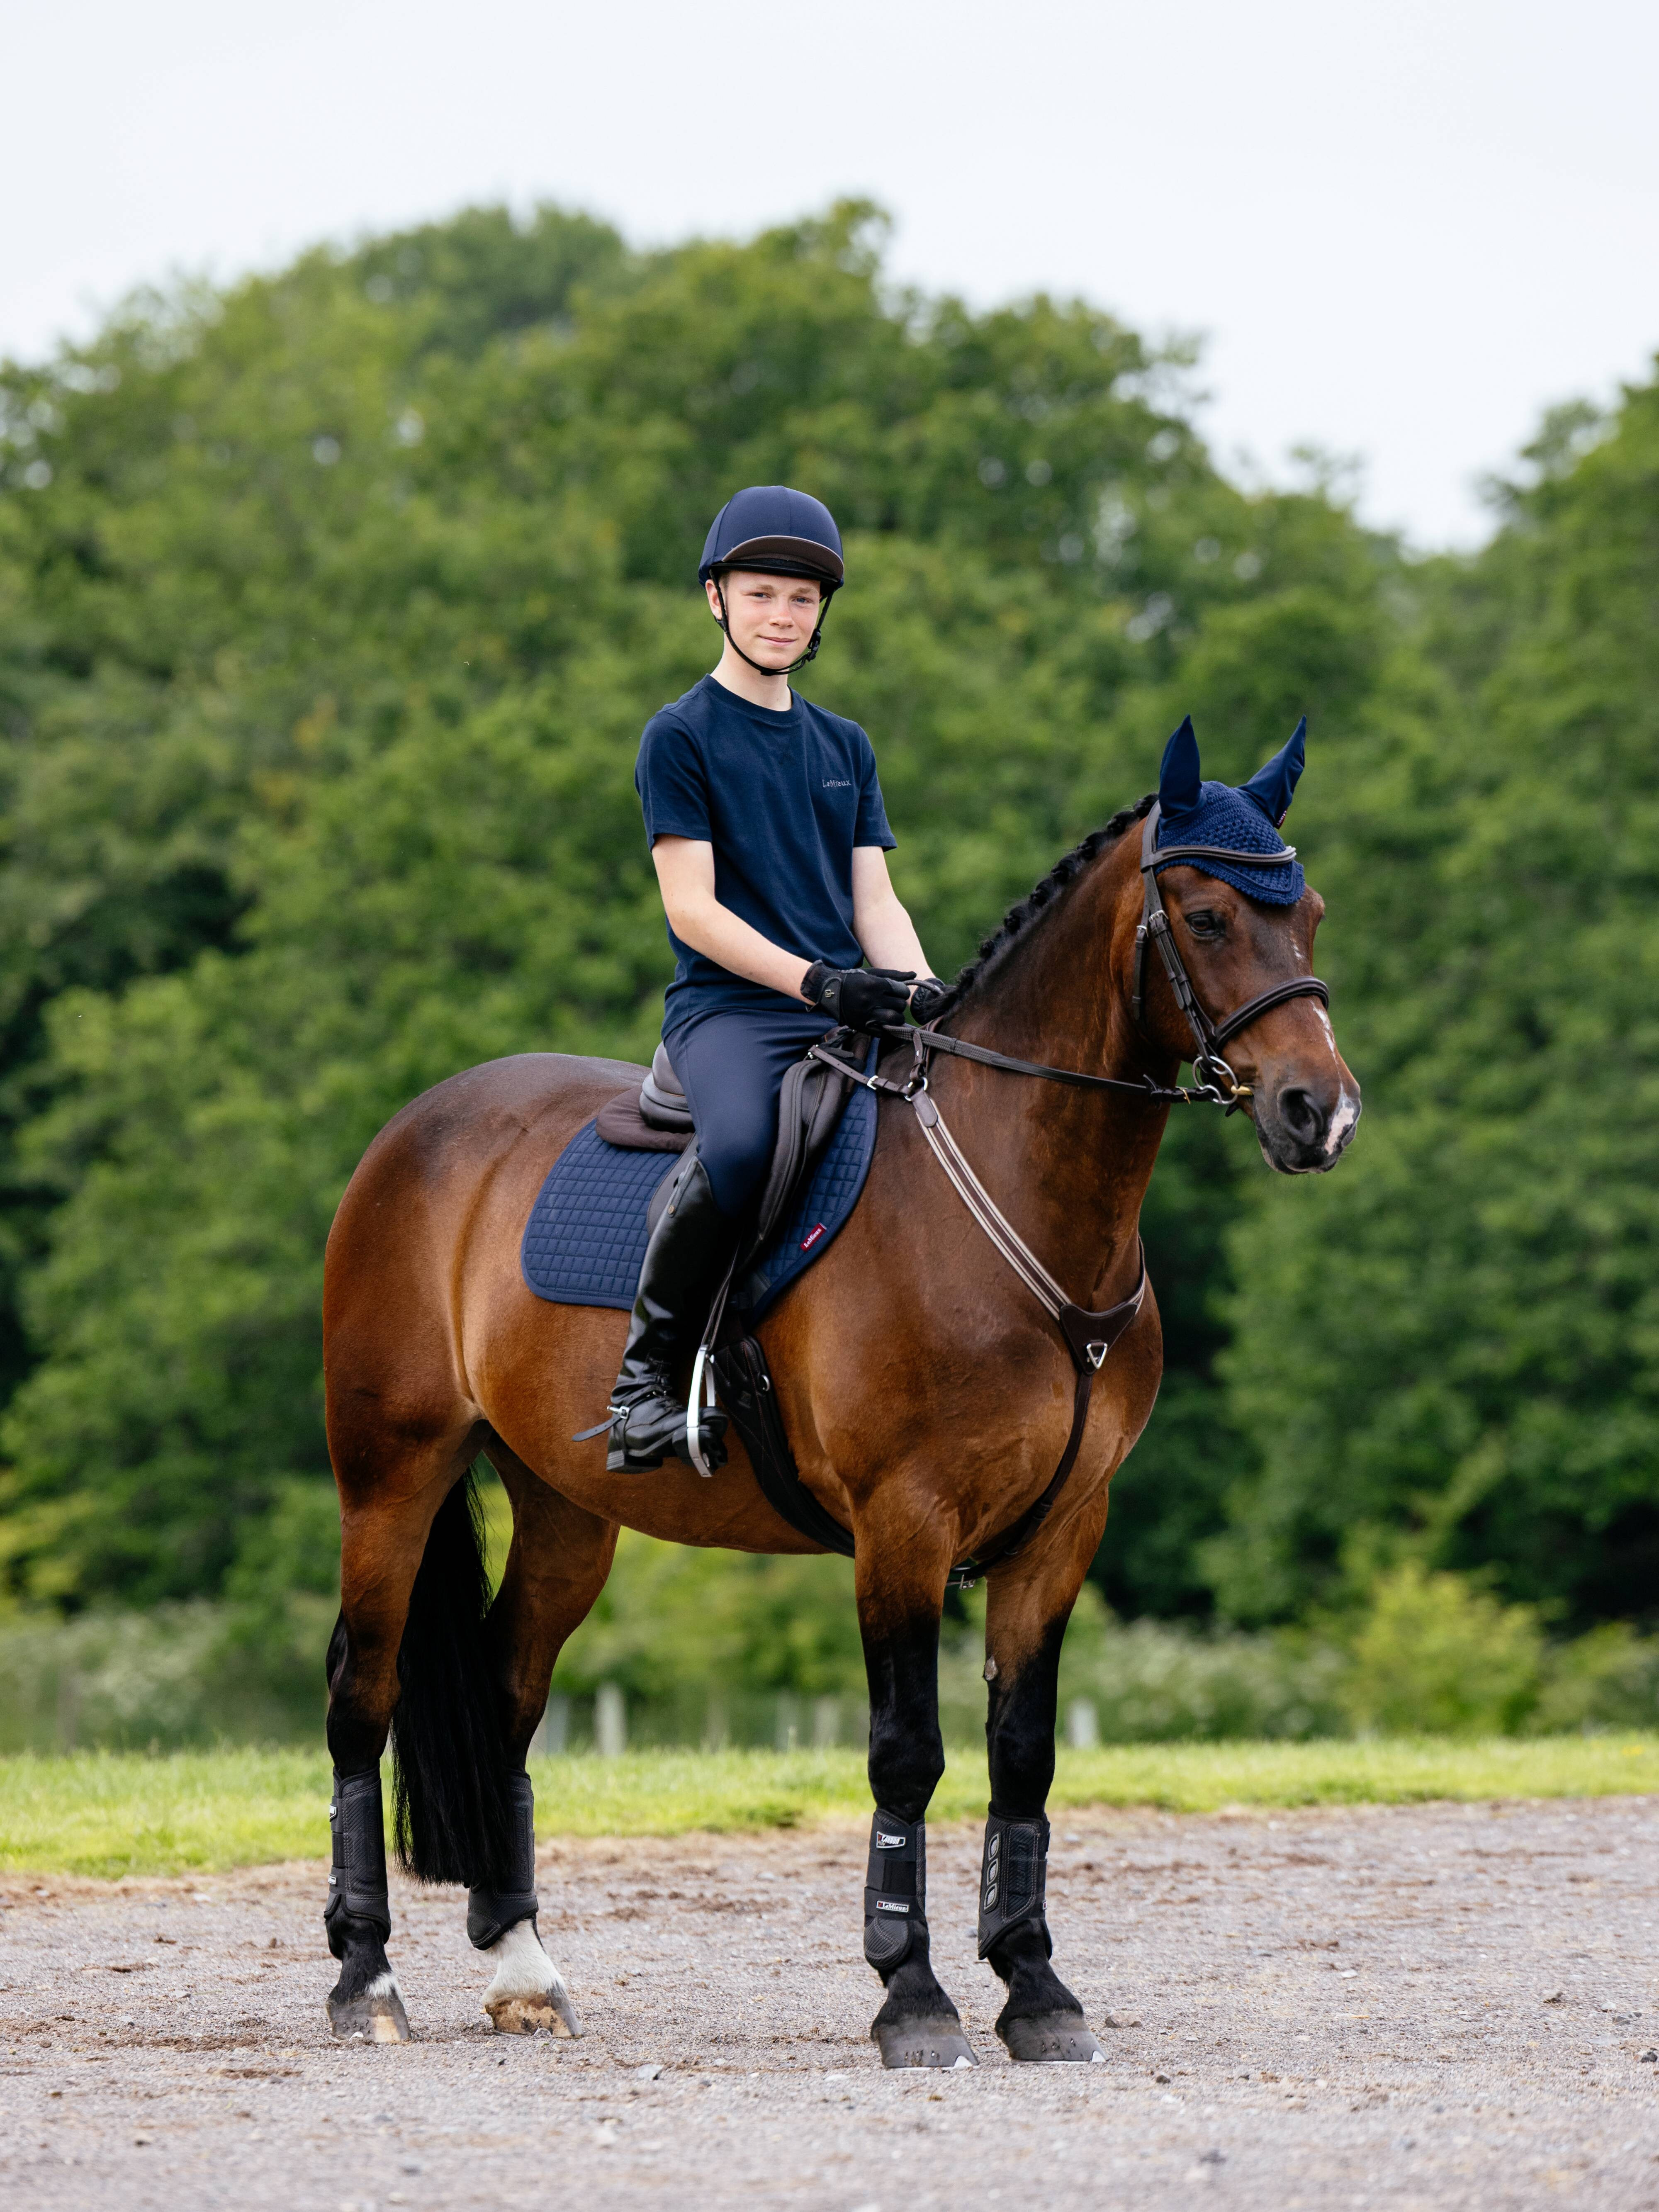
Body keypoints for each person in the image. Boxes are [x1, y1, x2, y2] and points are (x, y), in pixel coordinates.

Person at [605, 485, 947, 1475]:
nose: (782, 617)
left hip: (839, 998)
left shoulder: (844, 746)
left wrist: (924, 992)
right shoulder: (679, 736)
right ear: (716, 598)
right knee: (746, 1145)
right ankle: (641, 1387)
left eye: (801, 602)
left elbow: (874, 903)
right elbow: (693, 912)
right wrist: (820, 986)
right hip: (733, 1009)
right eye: (761, 595)